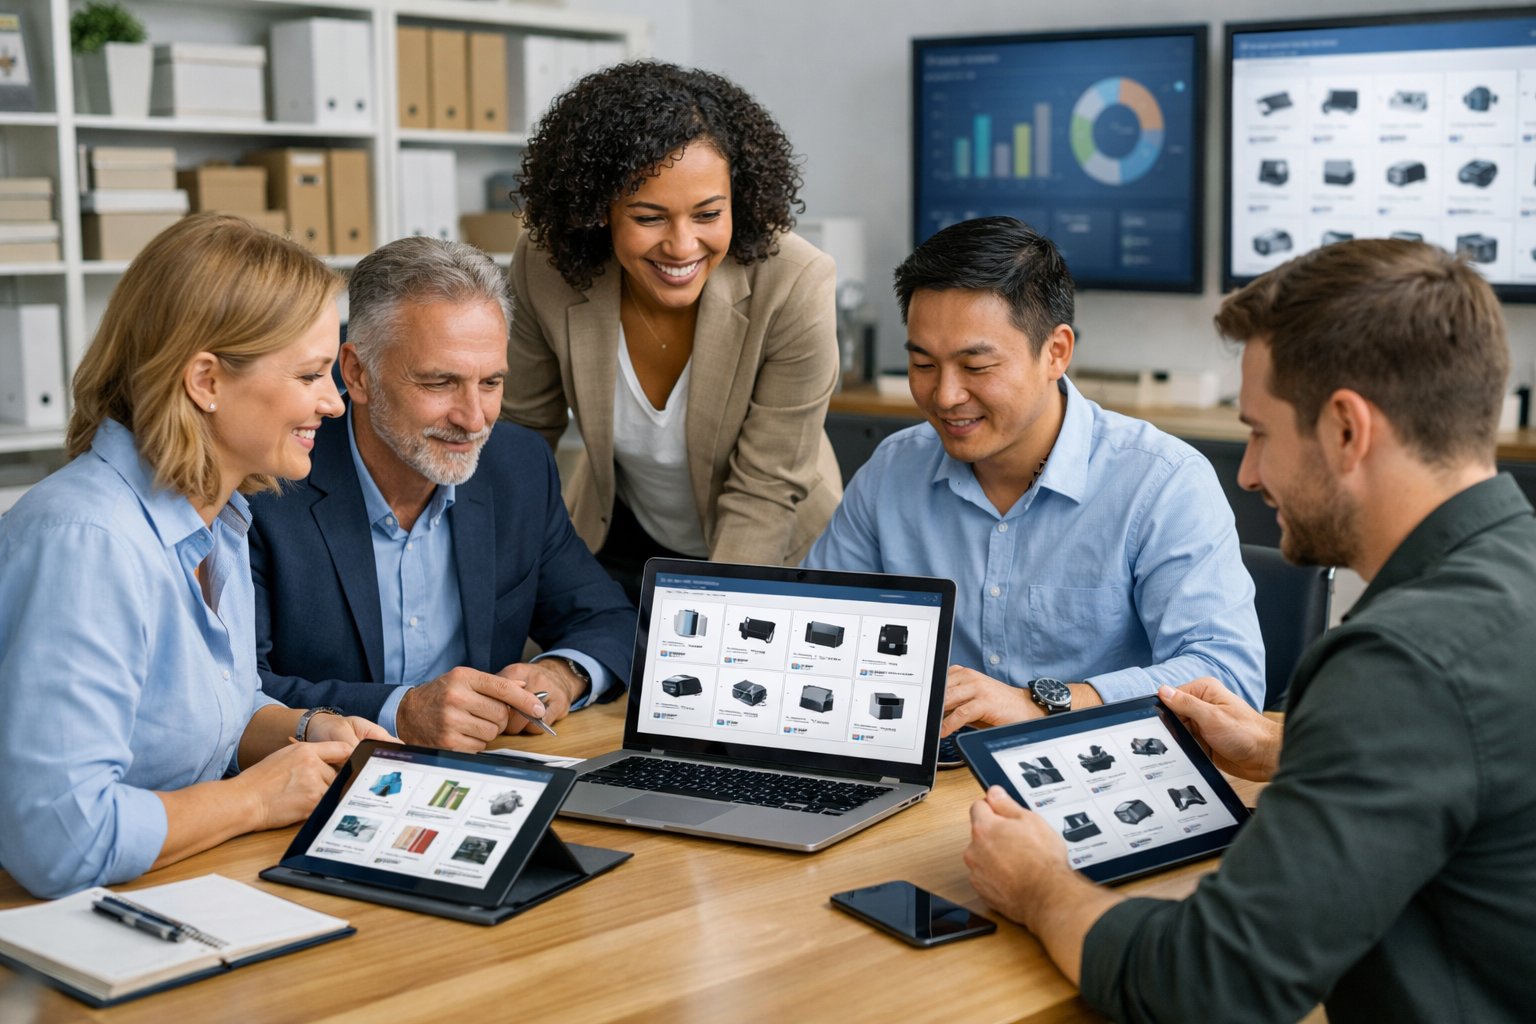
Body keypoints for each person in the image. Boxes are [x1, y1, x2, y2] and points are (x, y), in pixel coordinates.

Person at [965, 239, 1535, 1022]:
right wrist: (1293, 750)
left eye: (1260, 432)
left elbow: (1211, 984)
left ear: (1345, 431)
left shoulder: (1401, 662)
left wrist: (1037, 884)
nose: (1249, 474)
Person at [0, 214, 391, 899]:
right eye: (309, 374)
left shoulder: (219, 518)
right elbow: (58, 840)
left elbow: (203, 719)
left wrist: (304, 730)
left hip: (181, 891)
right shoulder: (86, 543)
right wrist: (257, 799)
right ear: (206, 381)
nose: (334, 402)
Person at [805, 217, 1264, 730]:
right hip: (935, 775)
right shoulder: (894, 468)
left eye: (976, 367)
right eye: (923, 364)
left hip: (1099, 779)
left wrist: (1045, 703)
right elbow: (818, 627)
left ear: (1056, 352)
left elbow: (1228, 680)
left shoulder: (1161, 482)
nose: (945, 396)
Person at [250, 237, 635, 752]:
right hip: (318, 787)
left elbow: (609, 618)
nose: (474, 419)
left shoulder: (516, 467)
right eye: (440, 383)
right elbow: (234, 687)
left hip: (482, 780)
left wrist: (563, 674)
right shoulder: (266, 480)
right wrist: (402, 712)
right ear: (357, 372)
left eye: (491, 383)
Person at [502, 60, 843, 601]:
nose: (682, 247)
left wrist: (715, 630)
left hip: (774, 549)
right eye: (648, 217)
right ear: (598, 210)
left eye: (708, 215)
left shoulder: (795, 283)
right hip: (623, 533)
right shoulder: (549, 269)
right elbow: (520, 435)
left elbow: (767, 488)